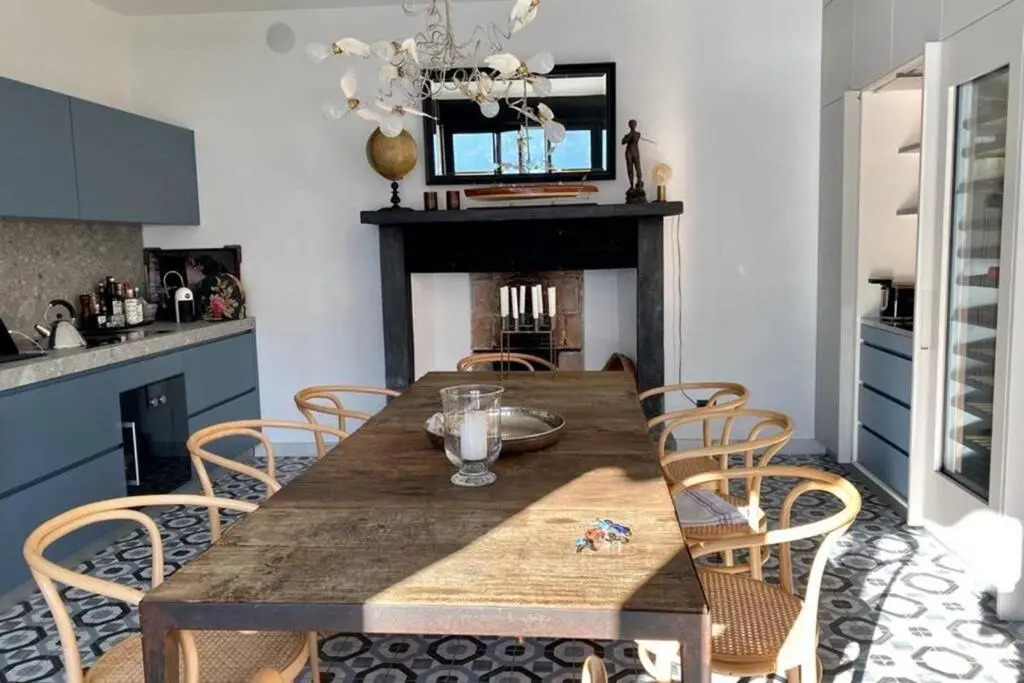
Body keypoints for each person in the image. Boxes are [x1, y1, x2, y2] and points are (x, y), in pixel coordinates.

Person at [622, 119, 644, 192]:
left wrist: (627, 137)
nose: (633, 125)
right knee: (630, 169)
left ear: (635, 125)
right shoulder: (627, 135)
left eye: (634, 124)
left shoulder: (638, 133)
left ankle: (639, 185)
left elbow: (635, 140)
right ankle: (631, 186)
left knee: (638, 168)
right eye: (631, 124)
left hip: (635, 152)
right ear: (629, 125)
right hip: (629, 152)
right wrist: (626, 138)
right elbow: (623, 142)